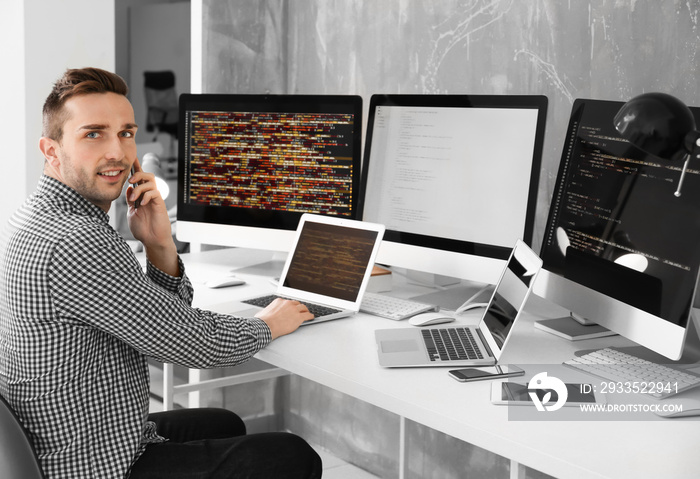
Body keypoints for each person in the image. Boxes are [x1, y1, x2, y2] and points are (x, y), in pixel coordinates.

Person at [0, 67, 322, 478]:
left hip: (81, 433)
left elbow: (165, 319)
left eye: (127, 132)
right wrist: (268, 324)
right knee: (293, 455)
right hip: (88, 464)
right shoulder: (75, 240)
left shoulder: (37, 214)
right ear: (51, 150)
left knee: (224, 423)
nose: (118, 152)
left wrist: (158, 246)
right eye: (93, 134)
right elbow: (190, 343)